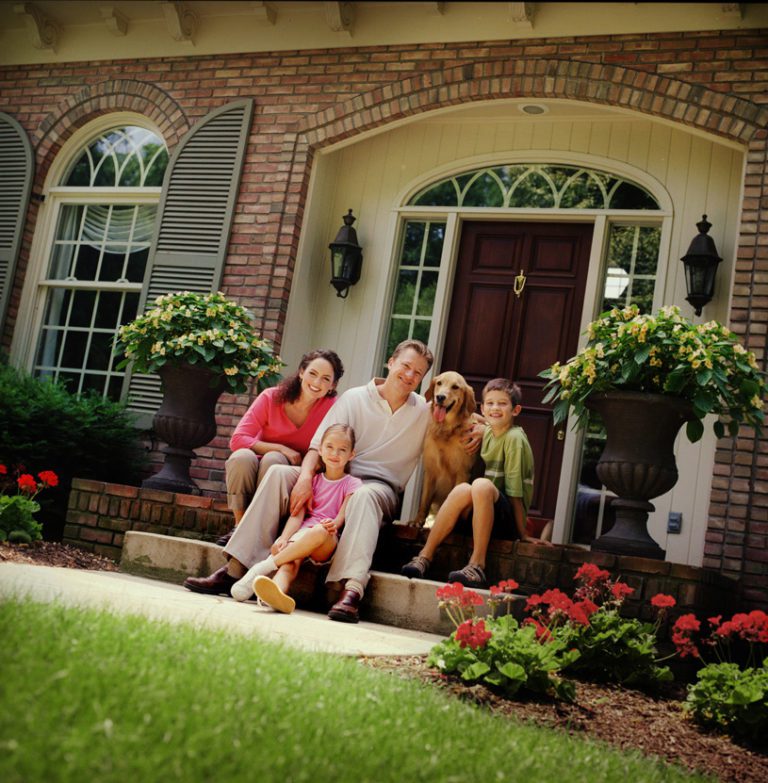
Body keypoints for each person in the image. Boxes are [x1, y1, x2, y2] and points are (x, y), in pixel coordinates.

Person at [184, 339, 461, 623]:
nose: (410, 375)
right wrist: (305, 477)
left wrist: (480, 430)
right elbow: (318, 446)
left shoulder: (424, 410)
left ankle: (350, 589)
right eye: (405, 366)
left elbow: (465, 417)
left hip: (379, 488)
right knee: (280, 473)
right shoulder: (354, 398)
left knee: (364, 494)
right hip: (334, 475)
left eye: (418, 372)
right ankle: (235, 568)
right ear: (391, 362)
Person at [401, 377, 539, 589]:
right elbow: (469, 415)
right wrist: (483, 425)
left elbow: (515, 494)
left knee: (481, 485)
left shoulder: (515, 439)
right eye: (490, 403)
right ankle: (424, 556)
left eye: (502, 404)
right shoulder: (485, 432)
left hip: (505, 522)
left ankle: (476, 565)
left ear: (516, 410)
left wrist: (522, 534)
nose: (495, 408)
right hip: (481, 516)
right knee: (463, 489)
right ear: (483, 409)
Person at [229, 423, 362, 612]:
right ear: (321, 450)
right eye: (330, 447)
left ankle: (263, 567)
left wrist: (331, 524)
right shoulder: (312, 482)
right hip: (301, 536)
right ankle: (276, 595)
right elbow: (296, 516)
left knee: (319, 530)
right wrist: (283, 538)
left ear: (351, 455)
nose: (335, 453)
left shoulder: (352, 484)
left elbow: (341, 518)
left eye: (342, 450)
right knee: (289, 563)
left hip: (326, 539)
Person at [221, 349, 344, 542]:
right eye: (312, 373)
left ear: (332, 385)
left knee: (273, 461)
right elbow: (238, 439)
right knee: (240, 458)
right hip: (258, 461)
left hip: (295, 471)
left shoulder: (333, 408)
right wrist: (280, 448)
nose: (317, 383)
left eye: (325, 379)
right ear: (301, 372)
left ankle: (263, 531)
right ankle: (239, 527)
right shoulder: (271, 397)